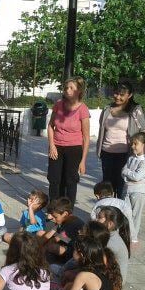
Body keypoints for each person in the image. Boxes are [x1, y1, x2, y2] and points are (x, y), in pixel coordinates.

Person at [97, 81, 145, 197]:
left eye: (122, 95)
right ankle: (108, 212)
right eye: (116, 93)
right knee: (107, 187)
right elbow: (102, 130)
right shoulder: (107, 109)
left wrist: (142, 152)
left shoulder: (136, 110)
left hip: (126, 155)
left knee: (121, 187)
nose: (118, 97)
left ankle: (120, 212)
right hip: (107, 154)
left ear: (129, 95)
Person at [47, 76, 90, 205]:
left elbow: (86, 137)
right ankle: (54, 207)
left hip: (74, 148)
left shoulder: (83, 109)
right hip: (57, 147)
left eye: (71, 88)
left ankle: (68, 210)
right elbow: (50, 126)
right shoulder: (58, 104)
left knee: (70, 180)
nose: (67, 90)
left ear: (79, 91)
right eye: (66, 87)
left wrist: (83, 161)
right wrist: (52, 145)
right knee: (54, 179)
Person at [121, 132, 145, 243]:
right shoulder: (131, 158)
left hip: (139, 192)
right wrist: (129, 173)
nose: (132, 146)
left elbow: (137, 176)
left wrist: (128, 173)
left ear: (144, 145)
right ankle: (127, 234)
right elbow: (123, 172)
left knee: (135, 215)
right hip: (127, 189)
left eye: (135, 144)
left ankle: (132, 238)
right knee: (126, 213)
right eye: (132, 143)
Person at [40, 197, 84, 262]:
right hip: (66, 241)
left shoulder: (72, 224)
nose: (53, 219)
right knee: (40, 233)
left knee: (50, 246)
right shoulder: (63, 219)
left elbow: (55, 239)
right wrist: (38, 245)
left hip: (74, 251)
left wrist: (40, 249)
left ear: (65, 214)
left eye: (55, 217)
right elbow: (50, 233)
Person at [97, 206, 130, 282]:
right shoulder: (108, 236)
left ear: (110, 224)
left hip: (112, 283)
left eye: (99, 217)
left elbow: (98, 265)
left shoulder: (110, 243)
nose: (96, 220)